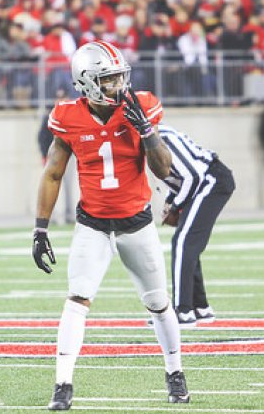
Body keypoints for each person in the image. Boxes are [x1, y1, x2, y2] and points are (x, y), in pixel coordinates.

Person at [32, 41, 188, 410]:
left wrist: (147, 132)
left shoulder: (141, 106)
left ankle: (175, 372)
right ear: (86, 83)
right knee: (77, 298)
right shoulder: (68, 116)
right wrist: (40, 228)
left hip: (137, 223)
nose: (119, 84)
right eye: (109, 79)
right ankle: (62, 384)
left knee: (158, 302)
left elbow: (164, 170)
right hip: (94, 225)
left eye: (119, 76)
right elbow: (53, 173)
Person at [157, 124, 235, 325]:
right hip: (206, 181)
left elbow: (192, 176)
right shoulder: (155, 136)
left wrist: (175, 206)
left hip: (210, 180)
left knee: (183, 243)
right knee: (187, 242)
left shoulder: (163, 139)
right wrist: (169, 200)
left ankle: (182, 310)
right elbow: (177, 176)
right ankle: (200, 306)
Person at [37, 88, 75, 225]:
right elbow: (41, 137)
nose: (61, 101)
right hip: (52, 158)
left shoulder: (72, 116)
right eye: (59, 98)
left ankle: (69, 215)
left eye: (63, 98)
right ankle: (49, 217)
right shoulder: (50, 116)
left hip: (69, 157)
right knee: (50, 186)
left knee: (68, 188)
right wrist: (44, 155)